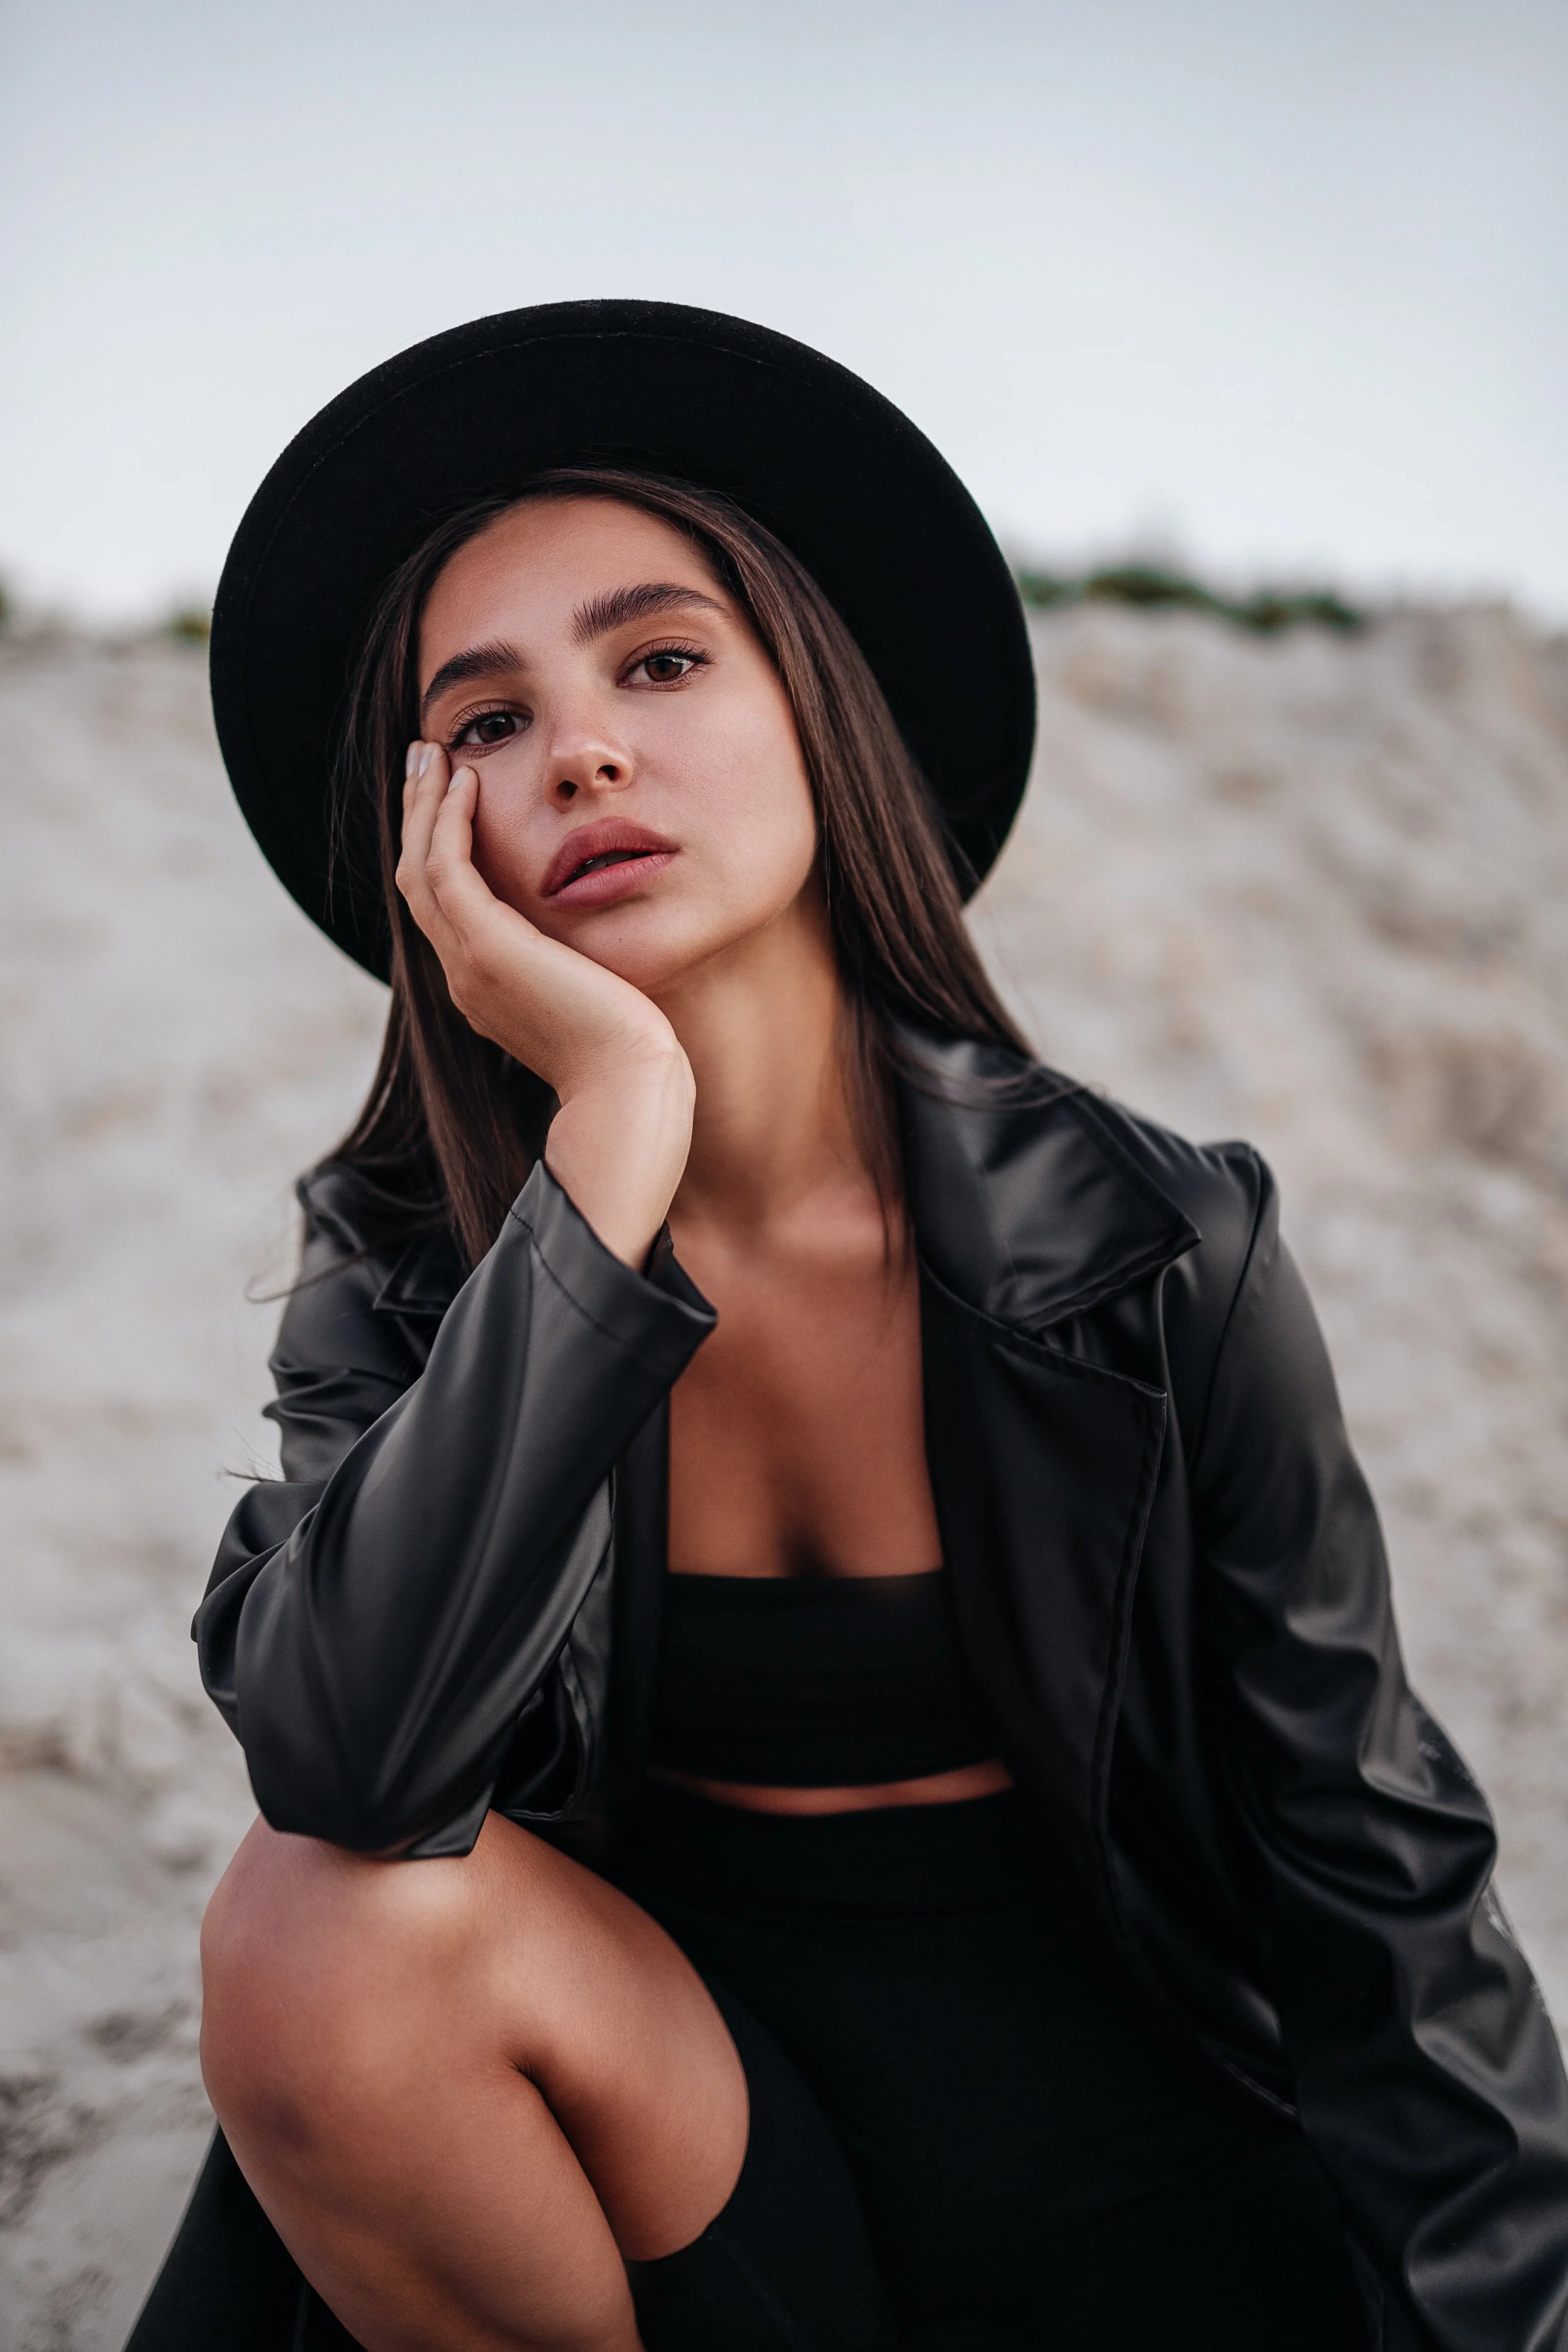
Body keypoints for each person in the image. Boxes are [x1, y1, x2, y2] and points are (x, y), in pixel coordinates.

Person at [127, 302, 1568, 2352]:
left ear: (818, 706)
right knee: (310, 1933)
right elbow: (348, 1763)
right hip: (680, 2142)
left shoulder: (1155, 1244)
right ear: (436, 848)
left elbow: (1377, 1868)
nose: (587, 751)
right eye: (490, 721)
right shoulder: (409, 1257)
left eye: (657, 659)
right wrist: (608, 1153)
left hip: (1140, 2149)